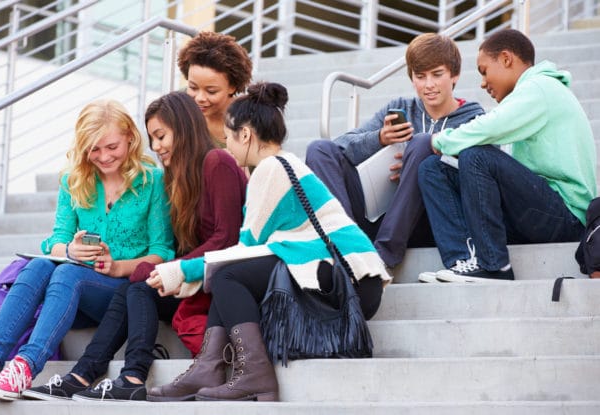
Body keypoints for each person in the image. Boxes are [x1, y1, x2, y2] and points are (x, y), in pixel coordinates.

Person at [145, 82, 392, 402]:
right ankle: (209, 366)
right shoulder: (281, 165)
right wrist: (184, 274)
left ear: (245, 135)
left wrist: (180, 271)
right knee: (229, 273)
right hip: (352, 281)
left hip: (348, 284)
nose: (225, 143)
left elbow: (241, 252)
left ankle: (254, 375)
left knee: (228, 274)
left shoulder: (272, 169)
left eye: (229, 135)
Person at [21, 92, 248, 402]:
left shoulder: (216, 161)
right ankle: (86, 374)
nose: (156, 147)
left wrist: (171, 267)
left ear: (184, 128)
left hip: (222, 277)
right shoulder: (180, 177)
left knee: (138, 287)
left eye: (161, 136)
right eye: (152, 138)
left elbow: (225, 238)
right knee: (134, 288)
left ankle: (128, 375)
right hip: (197, 273)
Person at [0, 100, 176, 401]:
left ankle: (24, 368)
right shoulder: (74, 180)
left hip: (119, 292)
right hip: (68, 296)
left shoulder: (152, 181)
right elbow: (54, 241)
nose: (103, 157)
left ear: (130, 138)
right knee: (40, 266)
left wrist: (119, 266)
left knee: (67, 274)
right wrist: (70, 249)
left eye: (111, 147)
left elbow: (162, 251)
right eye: (94, 149)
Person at [417, 29, 596, 283]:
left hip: (565, 217)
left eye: (484, 71)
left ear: (506, 59)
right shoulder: (531, 93)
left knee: (476, 155)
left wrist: (440, 140)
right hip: (535, 212)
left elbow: (490, 127)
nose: (482, 82)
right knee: (432, 169)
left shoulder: (540, 87)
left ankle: (495, 266)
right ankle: (462, 261)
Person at [305, 33, 484, 276]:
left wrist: (417, 166)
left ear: (455, 75)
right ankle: (348, 249)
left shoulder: (473, 117)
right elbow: (341, 145)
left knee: (422, 145)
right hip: (382, 210)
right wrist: (380, 138)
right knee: (319, 149)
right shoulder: (401, 108)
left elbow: (480, 177)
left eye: (437, 74)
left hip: (430, 221)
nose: (428, 84)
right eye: (420, 77)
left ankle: (383, 257)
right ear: (412, 79)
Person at [178, 30, 253, 147]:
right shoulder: (179, 105)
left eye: (211, 91)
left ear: (232, 87)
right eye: (193, 87)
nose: (200, 98)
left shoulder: (250, 120)